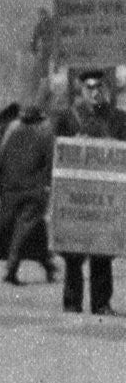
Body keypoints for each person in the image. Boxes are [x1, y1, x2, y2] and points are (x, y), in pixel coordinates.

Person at [54, 69, 126, 314]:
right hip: (76, 196)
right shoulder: (68, 118)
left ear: (106, 90)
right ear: (82, 91)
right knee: (74, 253)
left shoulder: (119, 119)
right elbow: (57, 151)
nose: (95, 93)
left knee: (103, 252)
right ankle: (72, 302)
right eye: (90, 88)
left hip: (106, 196)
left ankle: (101, 303)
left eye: (99, 87)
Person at [0, 104, 57, 285]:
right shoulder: (45, 137)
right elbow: (50, 164)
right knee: (25, 230)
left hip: (11, 192)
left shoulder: (11, 136)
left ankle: (49, 266)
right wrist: (47, 187)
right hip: (33, 192)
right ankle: (11, 269)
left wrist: (2, 190)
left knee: (31, 229)